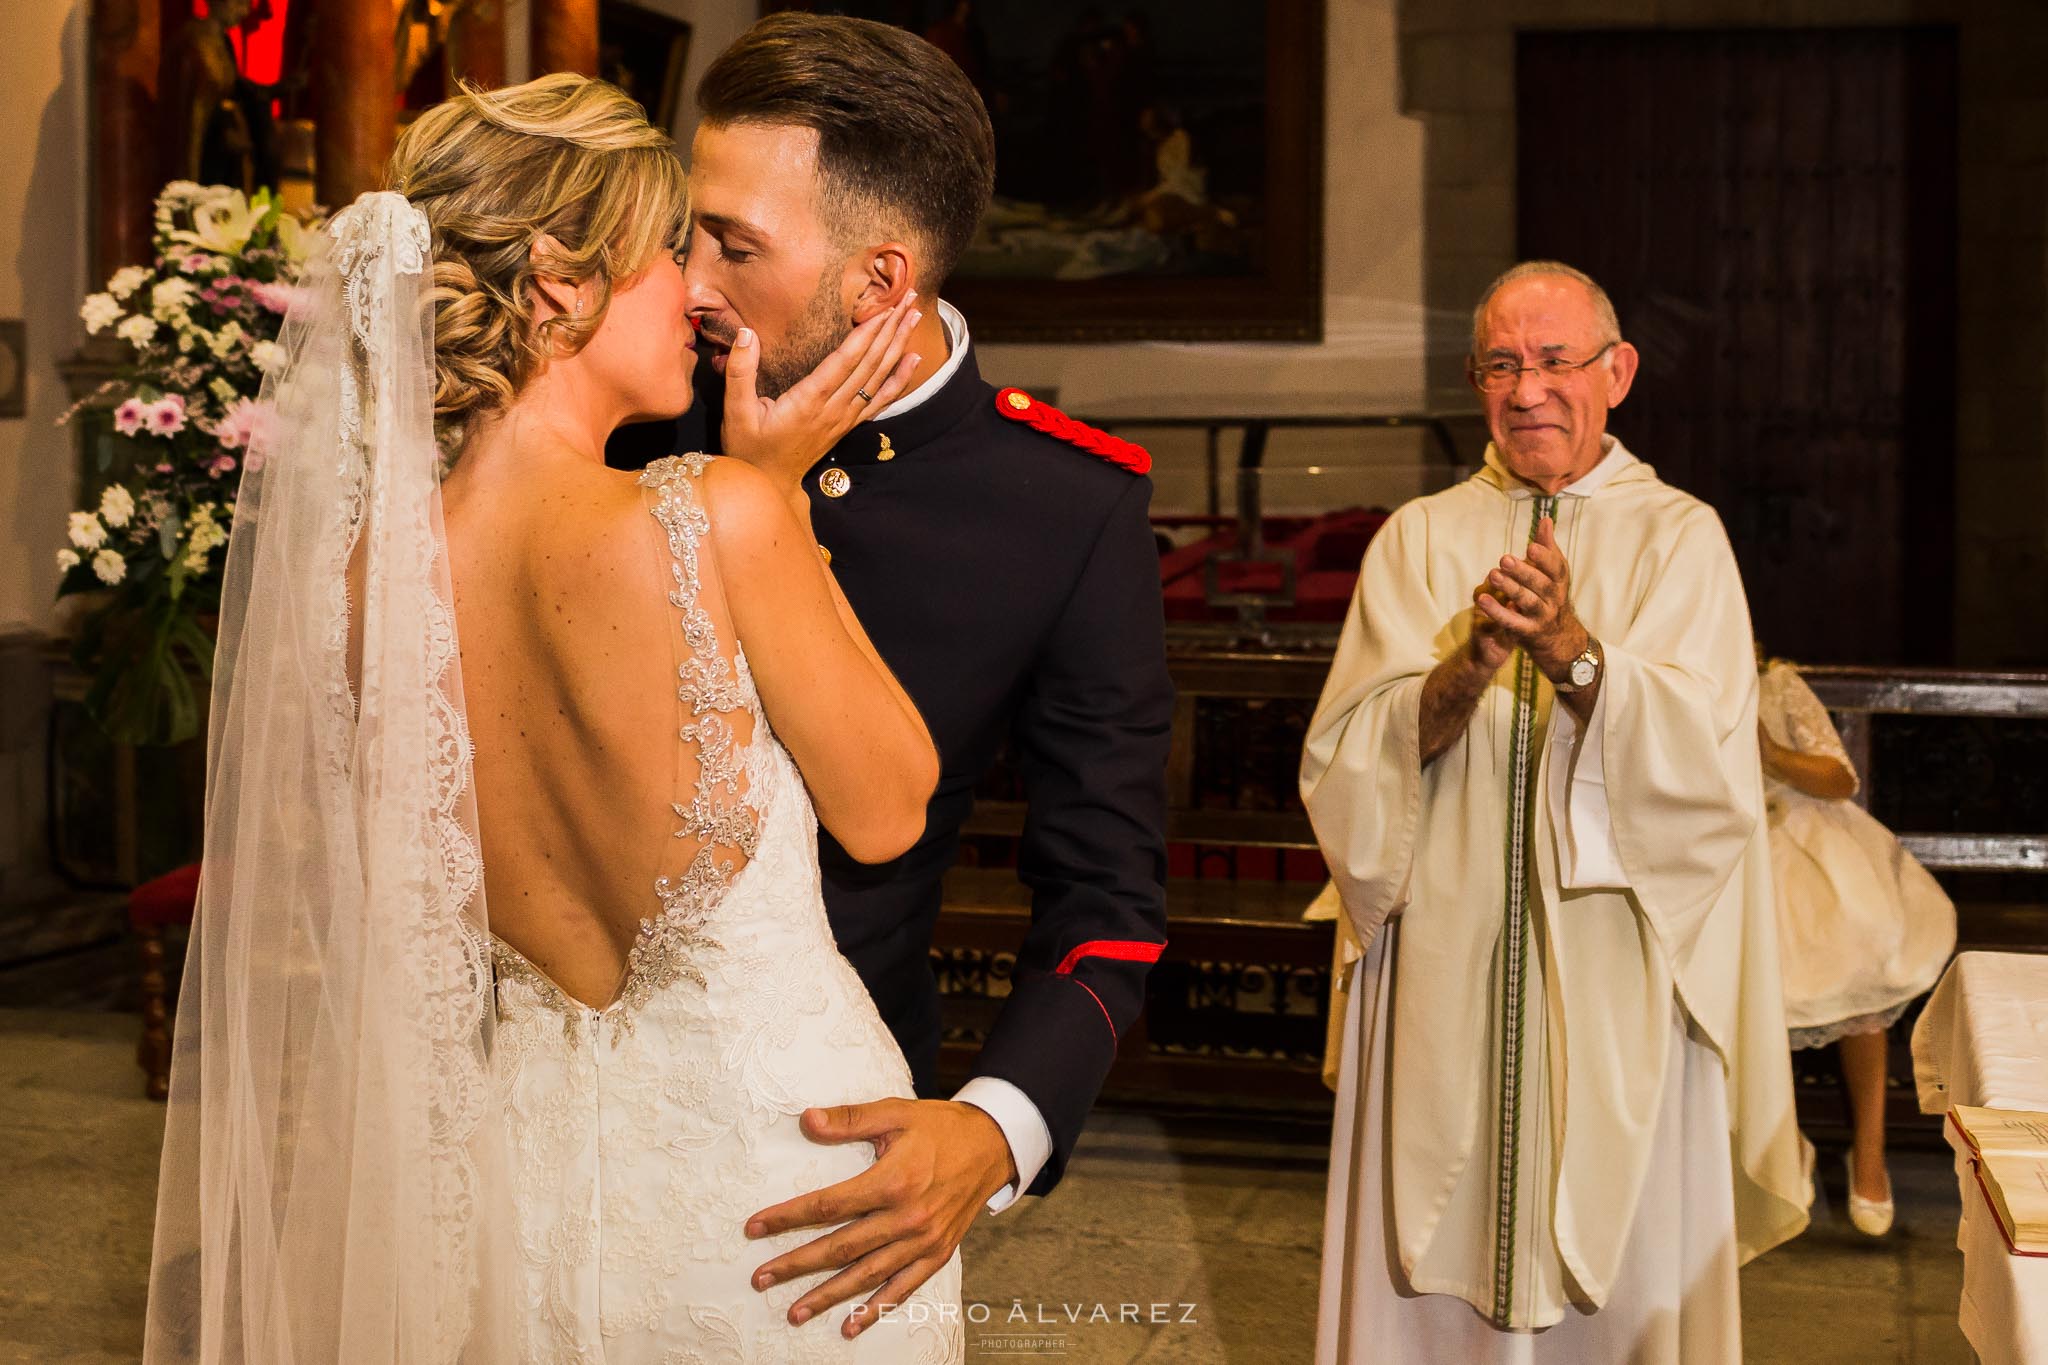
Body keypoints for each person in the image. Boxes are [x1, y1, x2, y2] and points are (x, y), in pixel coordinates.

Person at [144, 74, 968, 1360]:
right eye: (661, 254)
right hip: (785, 1207)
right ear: (557, 288)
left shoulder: (354, 585)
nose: (697, 291)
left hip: (505, 1216)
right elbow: (886, 811)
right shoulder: (719, 513)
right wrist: (774, 498)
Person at [637, 13, 1174, 1336]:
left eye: (733, 245)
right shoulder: (626, 419)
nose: (687, 282)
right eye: (686, 230)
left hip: (827, 1134)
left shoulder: (1060, 504)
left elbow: (1105, 894)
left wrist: (994, 1134)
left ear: (879, 282)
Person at [1301, 260, 1810, 1363]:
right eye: (1499, 364)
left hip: (1619, 966)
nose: (1525, 390)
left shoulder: (1682, 539)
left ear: (1615, 374)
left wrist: (1575, 658)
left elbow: (1710, 781)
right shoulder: (1418, 538)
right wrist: (1469, 662)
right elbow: (1345, 758)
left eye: (1553, 361)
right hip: (1440, 954)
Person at [1758, 652, 1956, 1236]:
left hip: (1804, 841)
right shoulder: (1678, 677)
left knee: (1856, 946)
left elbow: (1841, 778)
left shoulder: (1777, 683)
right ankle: (1778, 1143)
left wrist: (1770, 755)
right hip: (1726, 846)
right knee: (1746, 970)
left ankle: (1869, 1152)